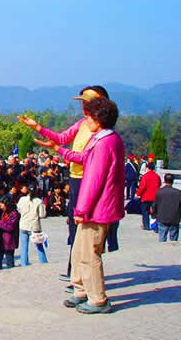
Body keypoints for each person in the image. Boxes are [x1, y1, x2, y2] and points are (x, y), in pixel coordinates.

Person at [37, 97, 125, 314]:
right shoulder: (104, 139)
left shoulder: (105, 143)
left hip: (98, 208)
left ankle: (98, 299)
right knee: (78, 251)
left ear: (99, 119)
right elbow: (83, 158)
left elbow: (94, 180)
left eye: (89, 117)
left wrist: (81, 210)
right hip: (96, 206)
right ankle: (81, 289)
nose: (86, 121)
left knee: (89, 254)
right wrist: (59, 149)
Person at [18, 85, 108, 282]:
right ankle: (73, 272)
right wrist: (37, 127)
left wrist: (58, 149)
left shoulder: (101, 131)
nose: (83, 107)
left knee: (84, 228)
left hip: (88, 179)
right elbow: (62, 138)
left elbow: (83, 157)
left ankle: (82, 275)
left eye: (87, 103)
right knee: (74, 227)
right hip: (75, 178)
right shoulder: (83, 123)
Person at [17, 184, 48, 266]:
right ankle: (43, 261)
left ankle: (24, 263)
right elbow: (42, 215)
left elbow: (19, 210)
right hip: (34, 226)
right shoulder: (39, 201)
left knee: (24, 246)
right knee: (39, 245)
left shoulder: (22, 199)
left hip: (23, 224)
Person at [0, 196, 19, 270]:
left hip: (9, 240)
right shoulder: (5, 212)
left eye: (1, 205)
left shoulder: (14, 213)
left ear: (6, 204)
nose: (0, 207)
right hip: (2, 238)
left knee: (9, 259)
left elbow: (10, 226)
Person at [152, 174, 181, 242]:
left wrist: (154, 215)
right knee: (174, 240)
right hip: (174, 217)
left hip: (162, 217)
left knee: (162, 238)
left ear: (164, 181)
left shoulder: (159, 192)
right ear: (173, 181)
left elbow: (155, 205)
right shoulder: (178, 192)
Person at [136, 162, 162, 231]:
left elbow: (142, 187)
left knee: (145, 212)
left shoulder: (145, 176)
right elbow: (159, 185)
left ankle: (146, 226)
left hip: (145, 197)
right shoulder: (157, 176)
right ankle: (155, 227)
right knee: (155, 212)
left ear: (147, 168)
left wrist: (137, 194)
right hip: (155, 197)